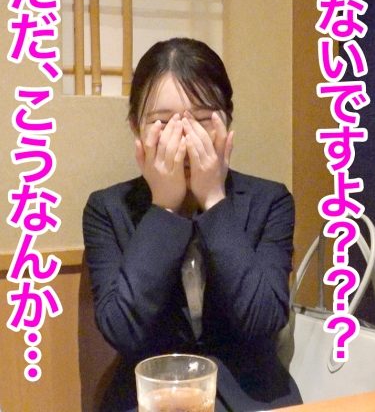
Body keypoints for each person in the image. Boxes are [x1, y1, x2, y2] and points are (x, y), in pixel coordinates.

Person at [82, 38, 302, 411]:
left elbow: (263, 321)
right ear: (136, 128)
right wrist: (164, 207)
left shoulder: (270, 201)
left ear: (227, 123)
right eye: (163, 122)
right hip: (150, 399)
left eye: (201, 121)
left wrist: (214, 200)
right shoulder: (107, 209)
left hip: (253, 398)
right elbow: (121, 330)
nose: (183, 138)